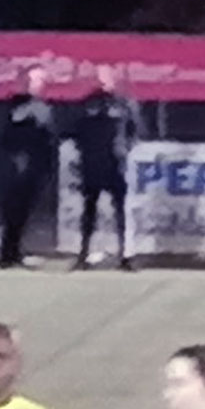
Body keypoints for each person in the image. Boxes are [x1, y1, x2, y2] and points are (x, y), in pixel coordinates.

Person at [73, 65, 140, 271]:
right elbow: (77, 129)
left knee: (120, 211)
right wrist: (84, 152)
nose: (103, 81)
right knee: (89, 211)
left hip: (115, 165)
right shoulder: (88, 102)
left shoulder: (125, 103)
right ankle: (82, 255)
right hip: (92, 164)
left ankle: (125, 257)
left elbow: (135, 130)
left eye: (107, 77)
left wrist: (125, 149)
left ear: (114, 78)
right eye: (99, 77)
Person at [0, 67, 56, 269]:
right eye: (36, 80)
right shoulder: (17, 106)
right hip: (17, 168)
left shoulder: (44, 108)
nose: (40, 84)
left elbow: (47, 138)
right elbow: (9, 136)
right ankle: (7, 254)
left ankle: (14, 251)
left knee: (23, 211)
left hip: (35, 168)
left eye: (43, 80)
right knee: (13, 211)